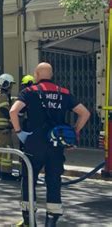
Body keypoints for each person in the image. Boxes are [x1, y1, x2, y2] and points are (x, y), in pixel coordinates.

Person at [10, 63, 90, 226]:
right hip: (56, 145)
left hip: (33, 145)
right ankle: (51, 222)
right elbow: (85, 113)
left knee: (28, 181)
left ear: (37, 74)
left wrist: (19, 132)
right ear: (51, 75)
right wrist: (74, 131)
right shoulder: (64, 93)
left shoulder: (29, 92)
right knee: (53, 182)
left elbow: (13, 111)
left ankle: (29, 220)